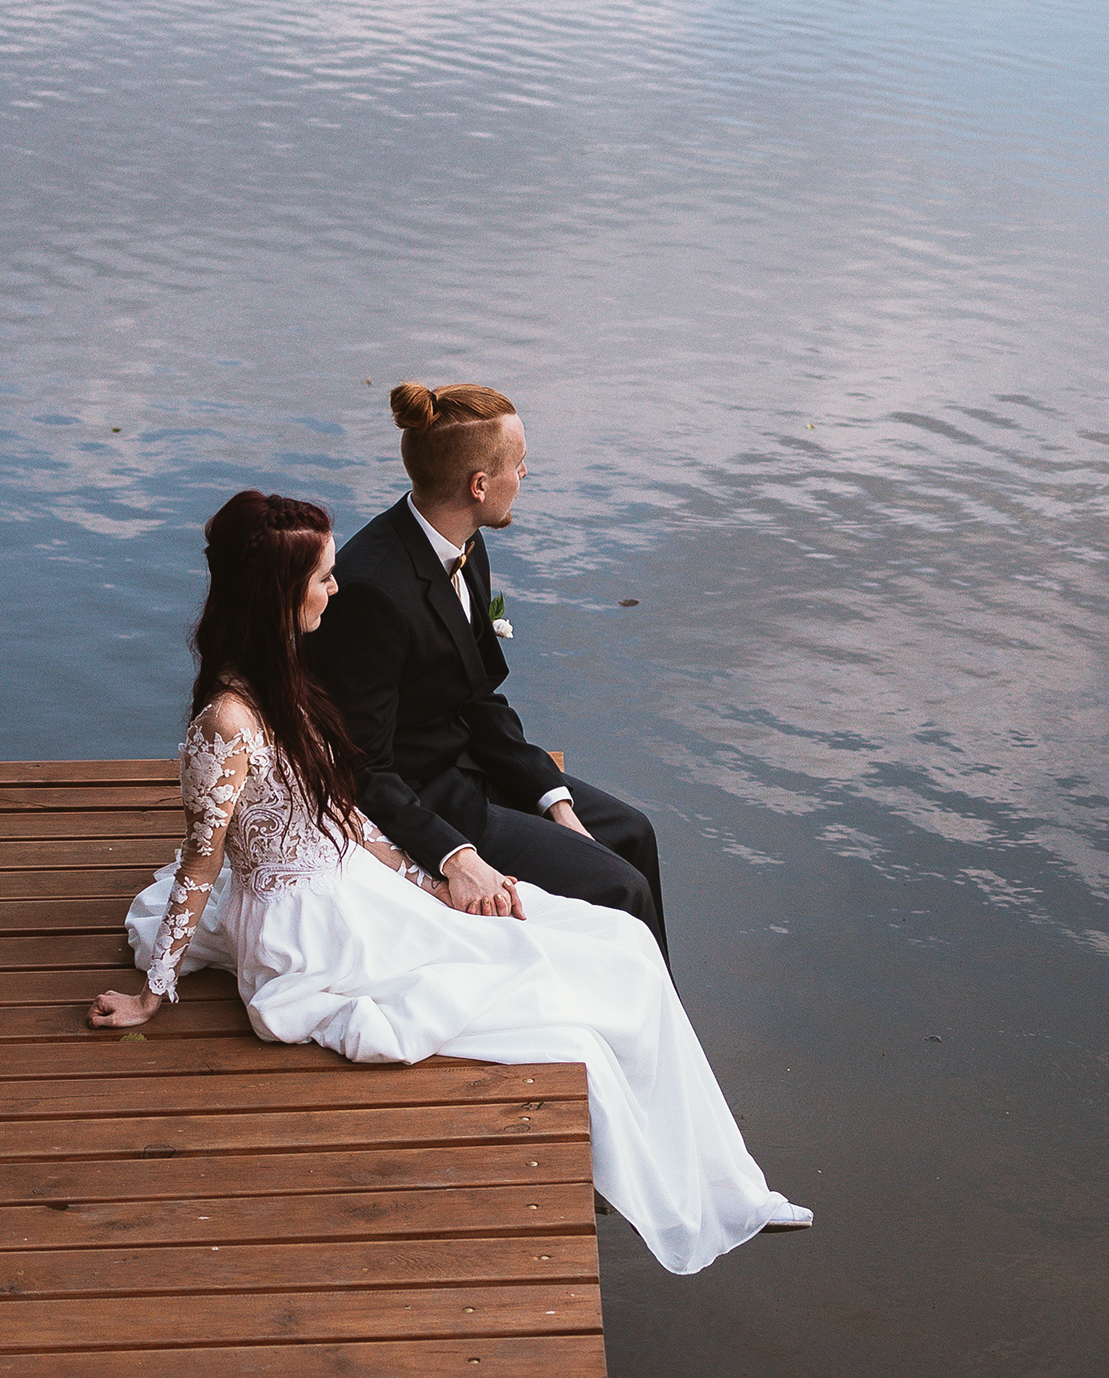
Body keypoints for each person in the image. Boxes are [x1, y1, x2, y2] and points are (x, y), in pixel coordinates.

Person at [92, 491, 810, 1275]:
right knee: (567, 1011)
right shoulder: (225, 725)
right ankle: (674, 1191)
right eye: (323, 578)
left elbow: (344, 818)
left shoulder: (289, 679)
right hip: (312, 936)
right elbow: (201, 862)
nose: (337, 588)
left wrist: (430, 880)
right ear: (279, 593)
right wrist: (152, 995)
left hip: (359, 889)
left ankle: (727, 1182)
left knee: (621, 943)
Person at [303, 382, 667, 949]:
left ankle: (655, 1003)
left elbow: (478, 697)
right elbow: (361, 767)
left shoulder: (464, 544)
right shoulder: (373, 590)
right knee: (621, 887)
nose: (525, 473)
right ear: (479, 485)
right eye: (518, 464)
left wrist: (555, 802)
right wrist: (455, 854)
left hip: (474, 763)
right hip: (423, 795)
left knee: (633, 833)